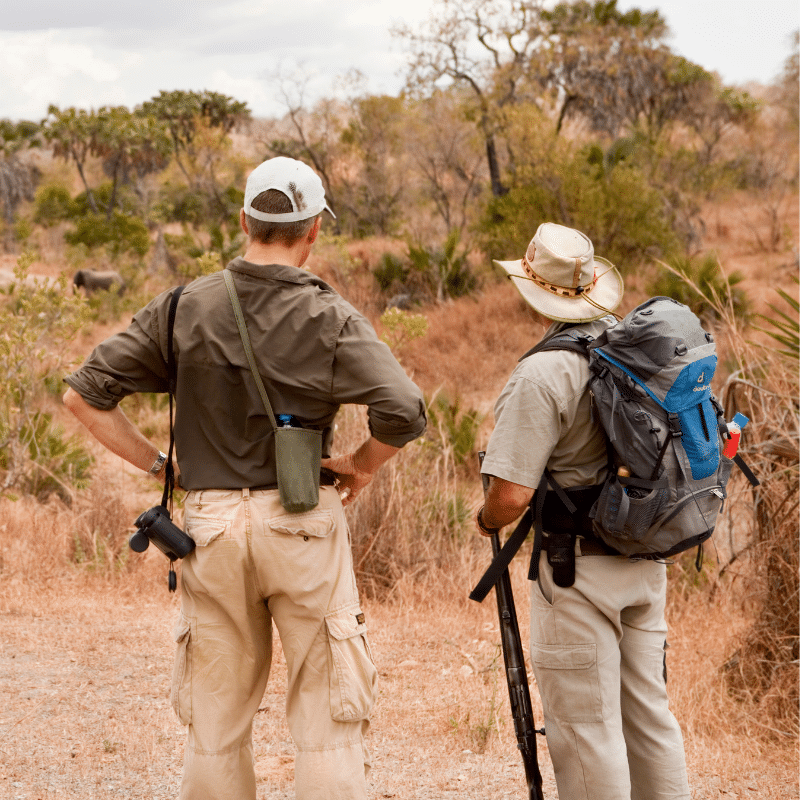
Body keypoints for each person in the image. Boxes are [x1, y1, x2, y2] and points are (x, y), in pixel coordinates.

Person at [63, 156, 427, 800]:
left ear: (243, 221)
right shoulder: (332, 317)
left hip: (207, 528)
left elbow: (84, 397)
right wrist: (361, 467)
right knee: (326, 720)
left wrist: (159, 465)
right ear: (314, 229)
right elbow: (404, 410)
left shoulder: (182, 306)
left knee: (216, 723)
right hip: (301, 523)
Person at [476, 222, 690, 800]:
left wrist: (486, 519)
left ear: (533, 289)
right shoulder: (636, 350)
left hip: (575, 573)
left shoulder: (543, 373)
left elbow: (511, 495)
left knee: (586, 730)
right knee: (650, 719)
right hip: (647, 560)